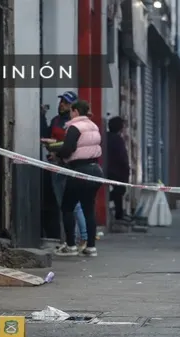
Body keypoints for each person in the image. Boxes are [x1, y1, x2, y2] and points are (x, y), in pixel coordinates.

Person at [41, 99, 103, 257]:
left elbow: (69, 148)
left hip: (78, 171)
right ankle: (91, 247)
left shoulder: (75, 127)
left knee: (67, 207)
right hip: (95, 170)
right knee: (89, 209)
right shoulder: (93, 126)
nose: (70, 114)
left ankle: (71, 246)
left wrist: (56, 153)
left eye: (71, 111)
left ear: (75, 111)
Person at [40, 90, 88, 250]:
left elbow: (71, 145)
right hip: (56, 166)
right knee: (64, 205)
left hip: (69, 165)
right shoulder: (56, 120)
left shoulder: (75, 125)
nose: (62, 105)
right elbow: (47, 135)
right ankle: (69, 240)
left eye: (66, 103)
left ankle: (83, 238)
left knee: (75, 205)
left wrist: (57, 149)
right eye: (61, 102)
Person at [106, 116, 131, 221]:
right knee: (120, 190)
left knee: (118, 191)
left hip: (107, 168)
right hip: (116, 171)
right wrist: (127, 169)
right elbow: (122, 157)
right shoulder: (118, 140)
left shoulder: (106, 137)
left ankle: (119, 213)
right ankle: (118, 214)